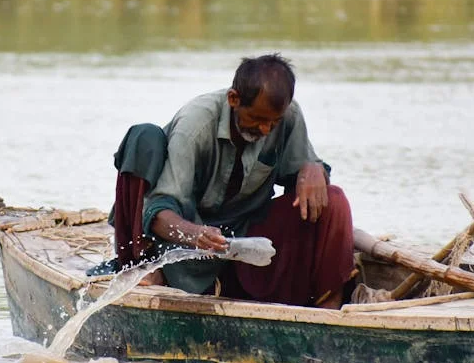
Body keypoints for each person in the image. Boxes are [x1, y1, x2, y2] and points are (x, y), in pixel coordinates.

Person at [90, 54, 355, 309]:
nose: (265, 130)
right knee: (144, 137)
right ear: (234, 99)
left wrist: (313, 170)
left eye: (272, 124)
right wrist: (195, 234)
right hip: (181, 244)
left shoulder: (287, 116)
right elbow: (159, 212)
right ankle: (157, 272)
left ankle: (329, 310)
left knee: (335, 200)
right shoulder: (195, 126)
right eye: (258, 120)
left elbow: (307, 180)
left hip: (245, 239)